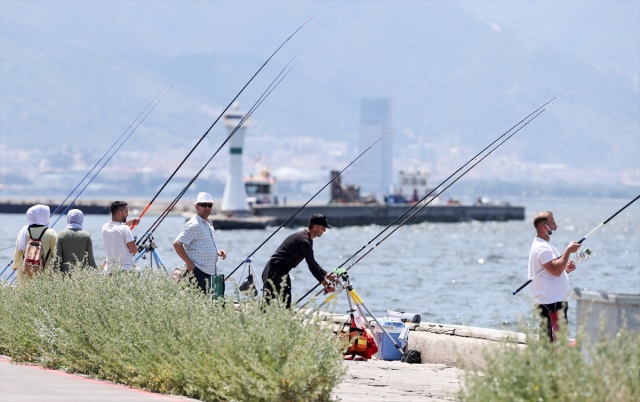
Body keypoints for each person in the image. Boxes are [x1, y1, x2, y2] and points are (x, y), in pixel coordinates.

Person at [261, 213, 337, 308]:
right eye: (323, 228)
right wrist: (325, 283)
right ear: (315, 227)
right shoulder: (304, 240)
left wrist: (327, 275)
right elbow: (311, 265)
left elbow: (312, 261)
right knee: (267, 307)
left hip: (281, 271)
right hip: (275, 271)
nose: (325, 230)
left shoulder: (307, 238)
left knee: (285, 305)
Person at [527, 211, 581, 342]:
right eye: (553, 222)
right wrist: (568, 250)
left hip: (553, 301)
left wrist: (565, 270)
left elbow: (552, 270)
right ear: (545, 227)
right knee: (553, 342)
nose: (556, 225)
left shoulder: (544, 244)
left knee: (556, 340)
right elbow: (556, 270)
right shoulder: (542, 248)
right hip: (551, 303)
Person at [173, 192, 227, 294]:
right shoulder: (193, 224)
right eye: (204, 205)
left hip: (208, 272)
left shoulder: (208, 224)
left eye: (209, 205)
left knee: (204, 303)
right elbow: (177, 244)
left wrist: (216, 252)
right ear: (197, 206)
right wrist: (189, 264)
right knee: (197, 303)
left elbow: (201, 245)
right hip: (197, 272)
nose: (207, 207)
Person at [12, 204, 58, 283]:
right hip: (44, 276)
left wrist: (15, 266)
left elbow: (18, 252)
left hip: (24, 275)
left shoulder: (23, 232)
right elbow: (55, 255)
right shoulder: (51, 233)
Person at [102, 201, 140, 272]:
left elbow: (117, 228)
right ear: (119, 213)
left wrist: (132, 221)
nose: (127, 214)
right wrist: (136, 246)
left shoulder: (105, 227)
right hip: (125, 271)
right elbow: (134, 250)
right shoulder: (125, 229)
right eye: (126, 212)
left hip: (110, 270)